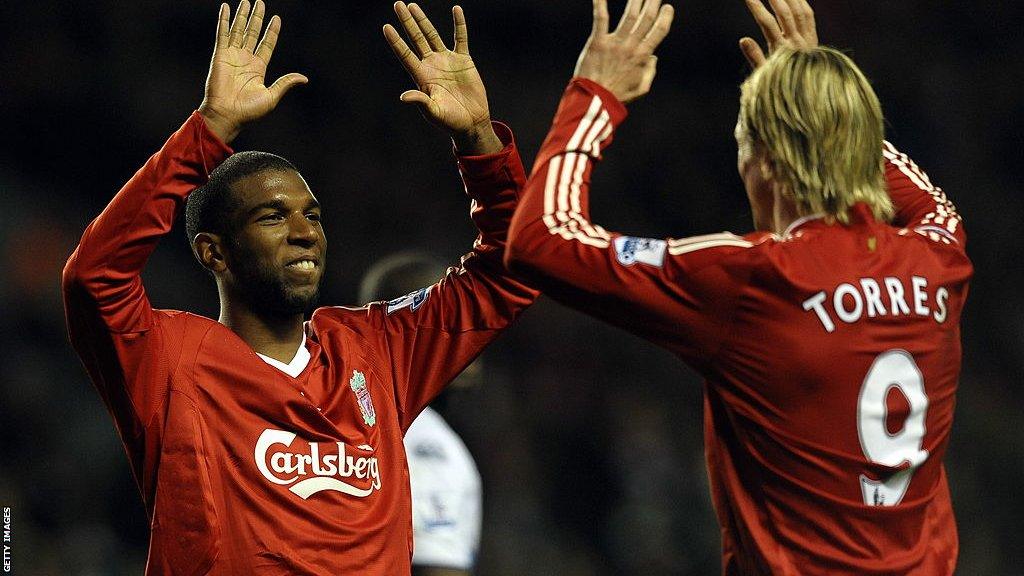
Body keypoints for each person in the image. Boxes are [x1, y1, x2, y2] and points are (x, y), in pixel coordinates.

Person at [61, 1, 537, 573]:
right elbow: (95, 276)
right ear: (213, 251)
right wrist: (209, 130)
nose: (304, 233)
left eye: (312, 216)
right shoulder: (169, 361)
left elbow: (514, 265)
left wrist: (480, 141)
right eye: (272, 217)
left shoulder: (375, 351)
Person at [505, 0, 971, 573]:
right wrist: (817, 95)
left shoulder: (755, 279)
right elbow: (927, 201)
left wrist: (593, 96)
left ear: (766, 162)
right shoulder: (940, 258)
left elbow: (541, 239)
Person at [360, 252, 484, 576]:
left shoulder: (356, 418)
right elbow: (437, 569)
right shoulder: (426, 444)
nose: (474, 334)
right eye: (454, 320)